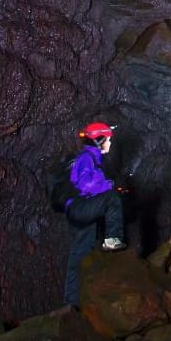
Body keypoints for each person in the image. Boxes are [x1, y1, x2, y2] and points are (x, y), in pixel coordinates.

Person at [63, 121, 127, 306]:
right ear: (98, 140)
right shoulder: (86, 158)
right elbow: (84, 184)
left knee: (81, 253)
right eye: (108, 139)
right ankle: (112, 239)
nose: (110, 143)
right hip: (81, 207)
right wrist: (109, 186)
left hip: (77, 209)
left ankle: (72, 304)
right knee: (112, 199)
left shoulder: (90, 158)